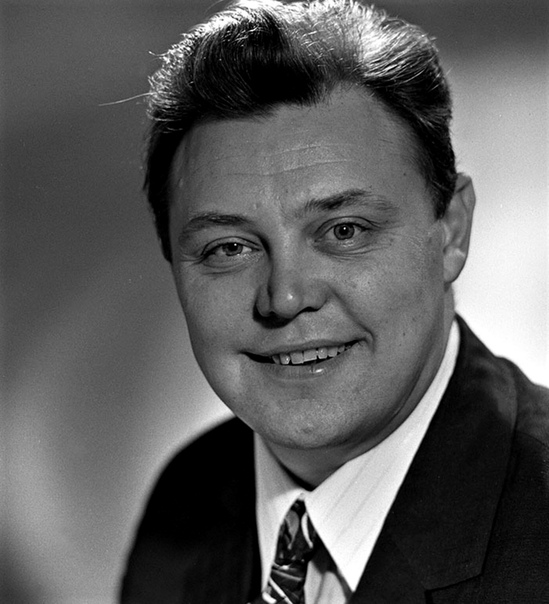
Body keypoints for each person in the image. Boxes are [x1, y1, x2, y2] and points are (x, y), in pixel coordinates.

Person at [120, 1, 549, 602]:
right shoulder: (184, 506)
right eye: (230, 247)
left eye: (343, 231)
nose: (285, 297)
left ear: (451, 230)